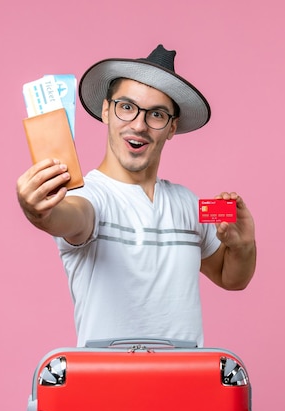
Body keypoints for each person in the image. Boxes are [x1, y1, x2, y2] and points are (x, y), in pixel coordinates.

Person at [16, 44, 256, 347]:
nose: (139, 125)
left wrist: (243, 245)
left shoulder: (189, 204)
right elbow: (69, 215)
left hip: (184, 387)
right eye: (127, 107)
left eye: (156, 114)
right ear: (106, 110)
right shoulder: (90, 196)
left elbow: (231, 278)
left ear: (171, 128)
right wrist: (38, 210)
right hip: (107, 386)